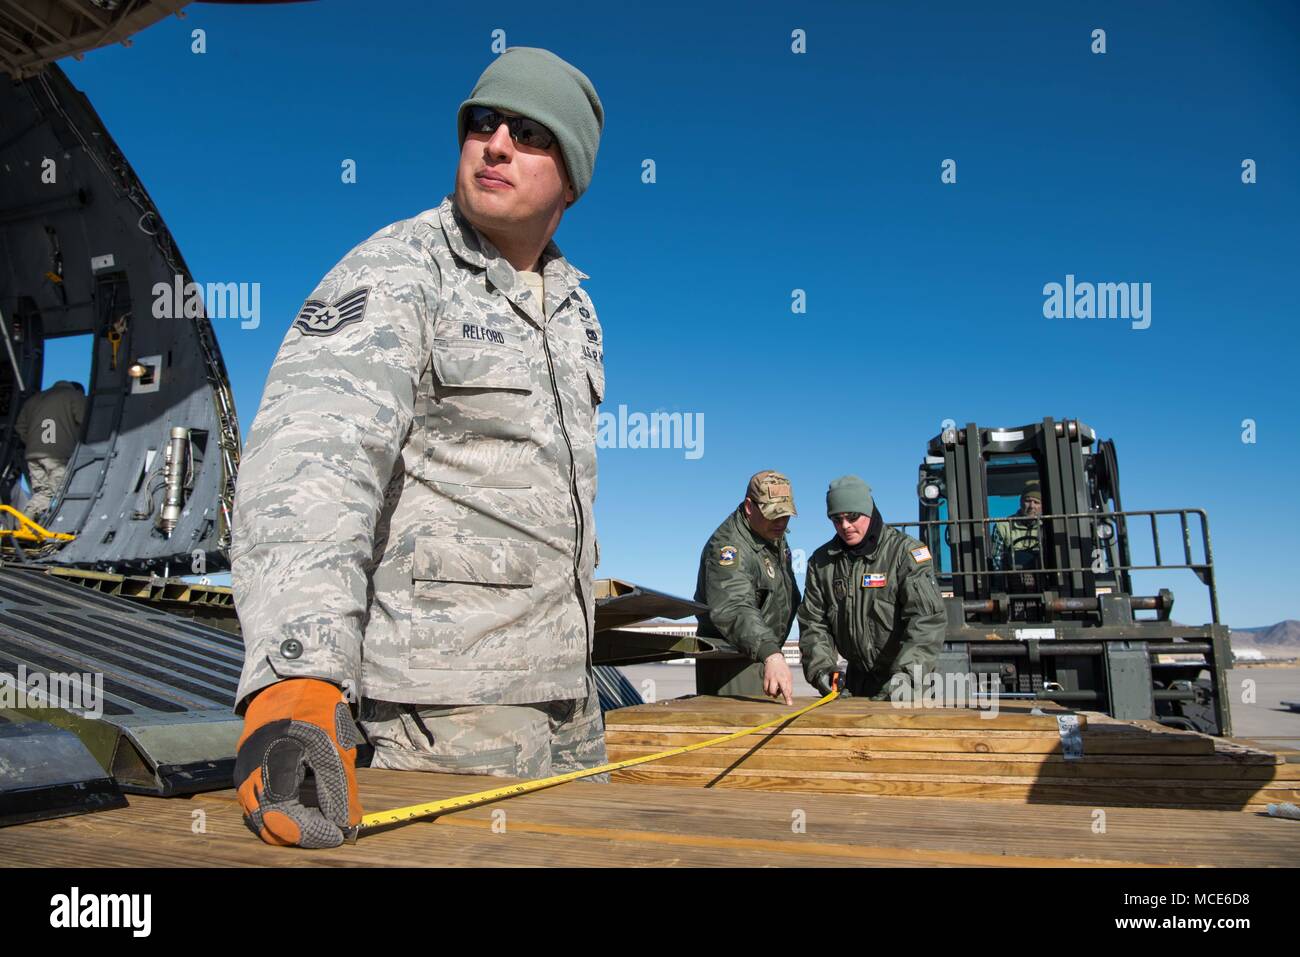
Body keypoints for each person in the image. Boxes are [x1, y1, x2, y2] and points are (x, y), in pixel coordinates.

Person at [231, 47, 607, 848]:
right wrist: (297, 672)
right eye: (482, 121)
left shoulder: (576, 311)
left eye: (530, 132)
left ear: (571, 177)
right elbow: (313, 458)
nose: (496, 142)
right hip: (447, 709)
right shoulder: (404, 269)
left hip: (570, 699)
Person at [798, 476, 946, 700]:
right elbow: (813, 623)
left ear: (868, 510)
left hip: (908, 686)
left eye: (852, 517)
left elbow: (926, 621)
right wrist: (823, 671)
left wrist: (907, 677)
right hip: (856, 684)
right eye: (837, 519)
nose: (845, 525)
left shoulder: (906, 554)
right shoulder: (821, 563)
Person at [694, 471, 801, 704]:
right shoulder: (728, 548)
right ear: (750, 507)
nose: (781, 522)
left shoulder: (772, 535)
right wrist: (771, 654)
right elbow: (733, 606)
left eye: (785, 515)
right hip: (733, 666)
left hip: (762, 656)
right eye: (773, 515)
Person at [13, 380, 85, 520]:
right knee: (62, 492)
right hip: (58, 455)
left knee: (42, 493)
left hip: (33, 454)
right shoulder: (74, 396)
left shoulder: (33, 400)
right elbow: (85, 420)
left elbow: (20, 427)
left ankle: (24, 526)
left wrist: (34, 442)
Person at [990, 481, 1044, 592]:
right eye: (1028, 501)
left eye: (1036, 502)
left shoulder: (1049, 526)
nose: (1032, 506)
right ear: (1021, 502)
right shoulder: (1003, 526)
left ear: (1042, 506)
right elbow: (997, 561)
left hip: (1043, 583)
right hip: (1012, 584)